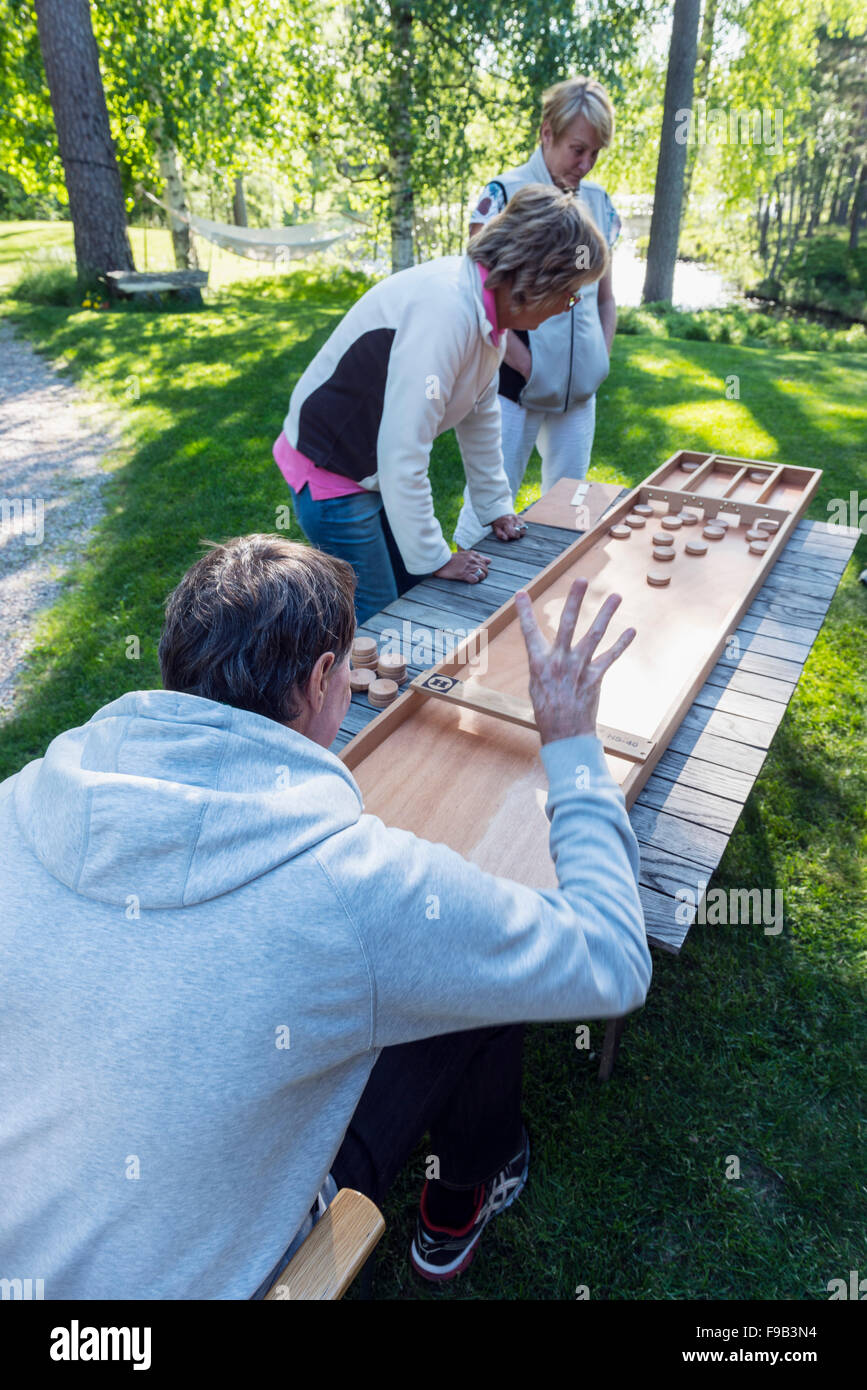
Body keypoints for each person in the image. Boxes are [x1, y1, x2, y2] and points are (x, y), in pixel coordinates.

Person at [0, 534, 650, 1298]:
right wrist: (572, 748)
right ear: (318, 681)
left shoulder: (20, 801)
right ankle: (459, 1201)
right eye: (345, 666)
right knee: (476, 991)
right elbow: (612, 959)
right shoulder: (356, 888)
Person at [274, 184, 609, 623]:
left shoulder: (487, 313)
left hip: (371, 469)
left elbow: (480, 413)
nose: (569, 308)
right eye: (570, 294)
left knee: (415, 596)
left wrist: (495, 507)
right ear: (534, 282)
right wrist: (437, 557)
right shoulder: (447, 312)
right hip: (333, 472)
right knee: (382, 616)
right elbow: (402, 452)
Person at [454, 76, 621, 551]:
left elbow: (604, 298)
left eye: (594, 153)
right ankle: (458, 598)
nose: (585, 164)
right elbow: (478, 298)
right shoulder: (501, 197)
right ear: (546, 132)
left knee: (568, 509)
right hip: (513, 388)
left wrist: (598, 361)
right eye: (577, 149)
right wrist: (531, 368)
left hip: (579, 397)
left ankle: (547, 596)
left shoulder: (601, 205)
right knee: (489, 504)